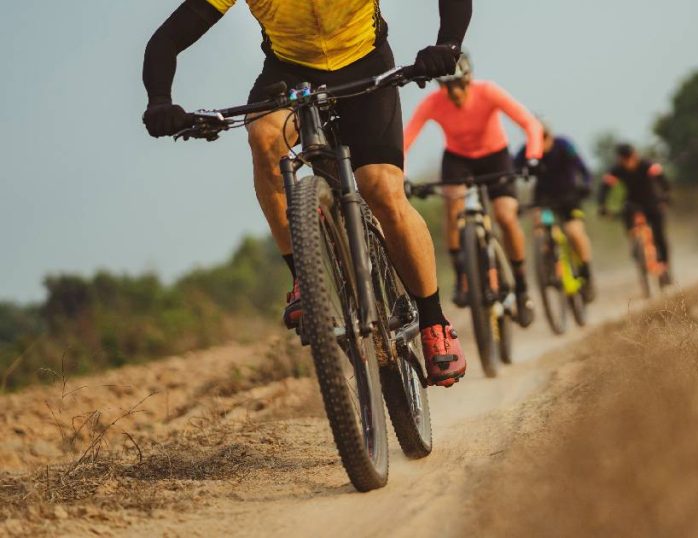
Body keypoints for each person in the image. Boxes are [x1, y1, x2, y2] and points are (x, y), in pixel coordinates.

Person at [140, 0, 472, 388]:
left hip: (365, 61)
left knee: (381, 187)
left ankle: (434, 322)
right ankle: (305, 282)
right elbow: (166, 40)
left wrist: (448, 43)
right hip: (290, 73)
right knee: (264, 139)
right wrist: (159, 101)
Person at [404, 53, 543, 327]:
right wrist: (403, 175)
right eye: (446, 86)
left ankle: (522, 286)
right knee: (453, 205)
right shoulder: (432, 103)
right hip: (458, 159)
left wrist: (533, 156)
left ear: (469, 79)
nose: (453, 92)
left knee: (505, 216)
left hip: (495, 156)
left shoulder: (488, 91)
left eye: (458, 84)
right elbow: (405, 140)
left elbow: (530, 124)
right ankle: (461, 276)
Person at [515, 126, 596, 302]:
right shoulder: (527, 151)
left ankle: (586, 274)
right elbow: (512, 172)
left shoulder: (563, 145)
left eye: (543, 136)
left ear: (549, 135)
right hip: (544, 199)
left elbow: (582, 167)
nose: (540, 142)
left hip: (569, 197)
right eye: (534, 138)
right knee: (539, 228)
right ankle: (548, 263)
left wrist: (587, 184)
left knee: (574, 232)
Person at [597, 143, 673, 284]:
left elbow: (662, 179)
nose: (628, 162)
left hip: (652, 202)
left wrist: (665, 197)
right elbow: (604, 187)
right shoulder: (616, 170)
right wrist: (602, 205)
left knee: (659, 236)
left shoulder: (647, 165)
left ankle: (665, 268)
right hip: (631, 205)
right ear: (619, 159)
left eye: (629, 157)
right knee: (629, 225)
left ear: (635, 155)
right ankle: (636, 248)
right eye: (624, 159)